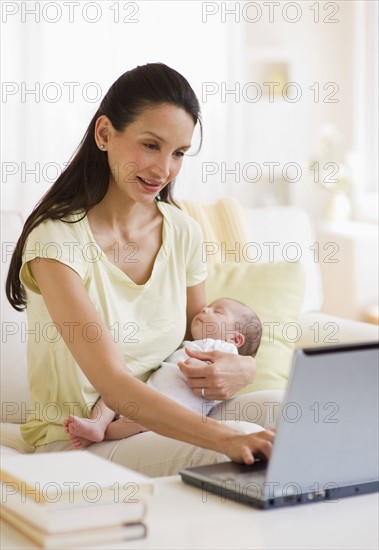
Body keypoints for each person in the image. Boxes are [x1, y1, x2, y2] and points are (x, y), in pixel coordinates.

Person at [6, 63, 281, 476]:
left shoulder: (183, 231)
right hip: (80, 442)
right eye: (151, 145)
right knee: (240, 444)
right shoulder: (56, 242)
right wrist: (227, 436)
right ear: (104, 134)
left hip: (168, 412)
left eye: (179, 153)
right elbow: (113, 383)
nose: (164, 170)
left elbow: (196, 338)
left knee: (285, 408)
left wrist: (244, 367)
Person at [63, 297, 263, 449]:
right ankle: (97, 424)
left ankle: (102, 434)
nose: (204, 308)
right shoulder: (187, 344)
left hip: (171, 412)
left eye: (217, 311)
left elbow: (217, 377)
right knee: (111, 394)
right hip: (145, 396)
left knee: (135, 422)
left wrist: (198, 366)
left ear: (235, 339)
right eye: (208, 306)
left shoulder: (224, 352)